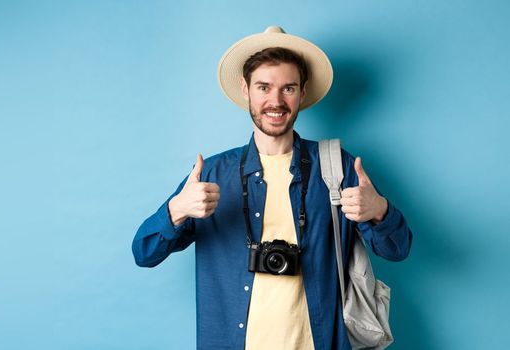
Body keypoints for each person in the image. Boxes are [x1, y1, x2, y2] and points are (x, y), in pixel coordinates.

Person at [131, 26, 413, 350]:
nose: (275, 101)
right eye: (264, 87)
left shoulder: (337, 168)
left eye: (288, 88)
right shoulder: (211, 174)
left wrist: (380, 211)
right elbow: (144, 252)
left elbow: (398, 249)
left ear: (303, 92)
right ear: (246, 89)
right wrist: (177, 210)